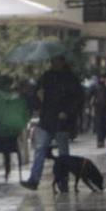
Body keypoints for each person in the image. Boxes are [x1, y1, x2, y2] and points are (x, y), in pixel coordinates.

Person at [22, 56, 84, 190]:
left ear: (62, 62)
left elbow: (78, 98)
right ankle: (34, 179)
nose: (53, 63)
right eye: (51, 61)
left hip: (62, 121)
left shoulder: (70, 78)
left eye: (55, 61)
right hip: (47, 119)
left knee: (63, 153)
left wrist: (67, 112)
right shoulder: (46, 77)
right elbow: (36, 96)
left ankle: (63, 181)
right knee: (40, 149)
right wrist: (37, 99)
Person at [93, 76, 106, 148]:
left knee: (102, 124)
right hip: (99, 109)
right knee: (100, 125)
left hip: (103, 108)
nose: (103, 79)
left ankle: (101, 140)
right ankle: (100, 141)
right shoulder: (96, 87)